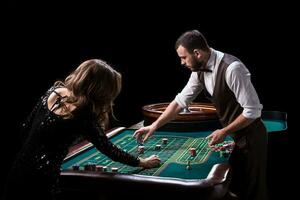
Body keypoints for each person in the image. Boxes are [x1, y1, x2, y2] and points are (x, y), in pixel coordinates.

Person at [133, 30, 268, 200]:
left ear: (197, 53)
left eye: (183, 57)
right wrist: (154, 125)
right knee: (234, 188)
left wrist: (224, 131)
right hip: (236, 137)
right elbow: (180, 102)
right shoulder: (198, 70)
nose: (182, 62)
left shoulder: (233, 69)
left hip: (252, 138)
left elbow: (253, 111)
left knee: (252, 192)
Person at [3, 59, 161, 200]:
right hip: (42, 181)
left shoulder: (54, 91)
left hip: (17, 171)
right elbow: (108, 149)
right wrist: (142, 162)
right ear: (101, 91)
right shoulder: (83, 114)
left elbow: (25, 129)